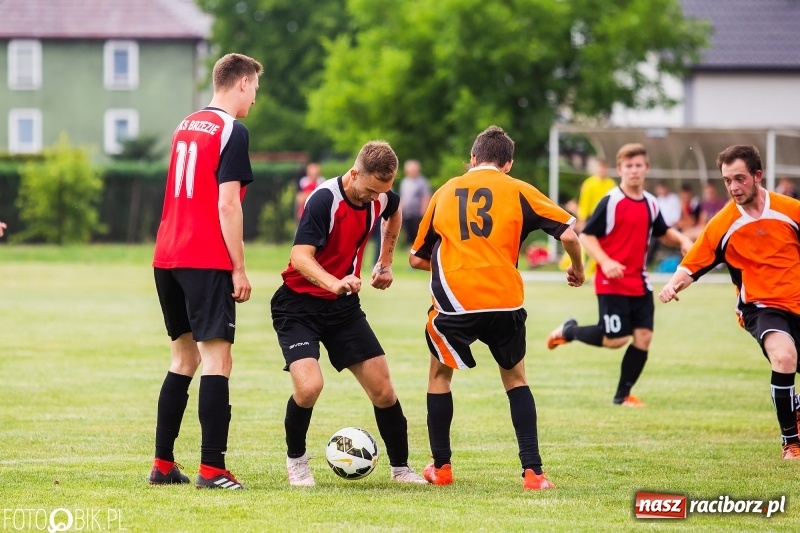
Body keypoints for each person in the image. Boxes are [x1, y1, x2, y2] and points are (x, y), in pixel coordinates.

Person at [409, 125, 586, 491]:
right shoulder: (519, 188)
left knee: (439, 377)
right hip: (506, 301)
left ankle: (441, 468)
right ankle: (533, 474)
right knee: (516, 379)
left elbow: (415, 258)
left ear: (472, 159)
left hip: (455, 304)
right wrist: (577, 268)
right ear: (507, 164)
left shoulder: (444, 192)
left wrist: (455, 262)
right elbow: (569, 233)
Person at [271, 140, 428, 487]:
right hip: (297, 305)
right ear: (355, 173)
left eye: (382, 192)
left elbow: (394, 211)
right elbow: (299, 256)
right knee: (310, 386)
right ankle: (297, 462)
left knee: (383, 390)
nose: (376, 198)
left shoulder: (383, 196)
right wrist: (333, 283)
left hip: (342, 307)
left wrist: (385, 262)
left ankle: (401, 469)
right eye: (371, 190)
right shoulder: (324, 199)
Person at [149, 53, 263, 490]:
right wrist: (239, 268)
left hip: (167, 255)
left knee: (183, 358)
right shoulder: (233, 129)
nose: (254, 96)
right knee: (218, 359)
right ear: (240, 83)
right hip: (205, 257)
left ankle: (162, 464)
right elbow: (227, 203)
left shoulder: (185, 124)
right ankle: (212, 469)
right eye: (254, 87)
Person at [659, 144, 800, 460]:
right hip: (761, 307)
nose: (734, 187)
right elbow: (693, 263)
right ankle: (791, 443)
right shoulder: (723, 223)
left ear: (757, 175)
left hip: (797, 301)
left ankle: (795, 405)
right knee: (784, 357)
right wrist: (672, 285)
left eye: (740, 178)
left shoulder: (791, 210)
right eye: (727, 180)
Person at [546, 143, 693, 407]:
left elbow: (663, 232)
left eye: (639, 166)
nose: (634, 171)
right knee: (615, 339)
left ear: (646, 169)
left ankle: (622, 396)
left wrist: (681, 239)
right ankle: (570, 331)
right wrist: (606, 260)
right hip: (610, 281)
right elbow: (587, 236)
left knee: (644, 337)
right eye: (629, 166)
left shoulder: (651, 203)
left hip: (640, 282)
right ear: (620, 169)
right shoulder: (611, 202)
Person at [563, 158, 616, 275]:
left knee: (599, 245)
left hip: (606, 219)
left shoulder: (611, 184)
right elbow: (584, 203)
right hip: (592, 218)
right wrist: (582, 220)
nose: (602, 170)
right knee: (585, 244)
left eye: (604, 168)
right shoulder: (589, 183)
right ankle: (568, 264)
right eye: (600, 168)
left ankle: (591, 272)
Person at [398, 159, 431, 246]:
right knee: (409, 237)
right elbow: (403, 197)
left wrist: (423, 212)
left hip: (418, 214)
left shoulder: (422, 182)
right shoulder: (405, 182)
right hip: (407, 214)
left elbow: (426, 197)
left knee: (418, 237)